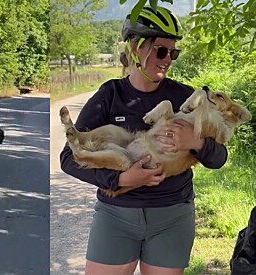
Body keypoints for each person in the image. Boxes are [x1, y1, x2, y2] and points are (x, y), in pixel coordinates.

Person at [60, 6, 228, 275]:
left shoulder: (185, 98)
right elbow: (68, 159)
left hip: (172, 216)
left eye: (173, 52)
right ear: (137, 48)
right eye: (161, 51)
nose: (168, 59)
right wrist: (120, 180)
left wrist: (195, 143)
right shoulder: (110, 95)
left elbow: (219, 158)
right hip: (116, 215)